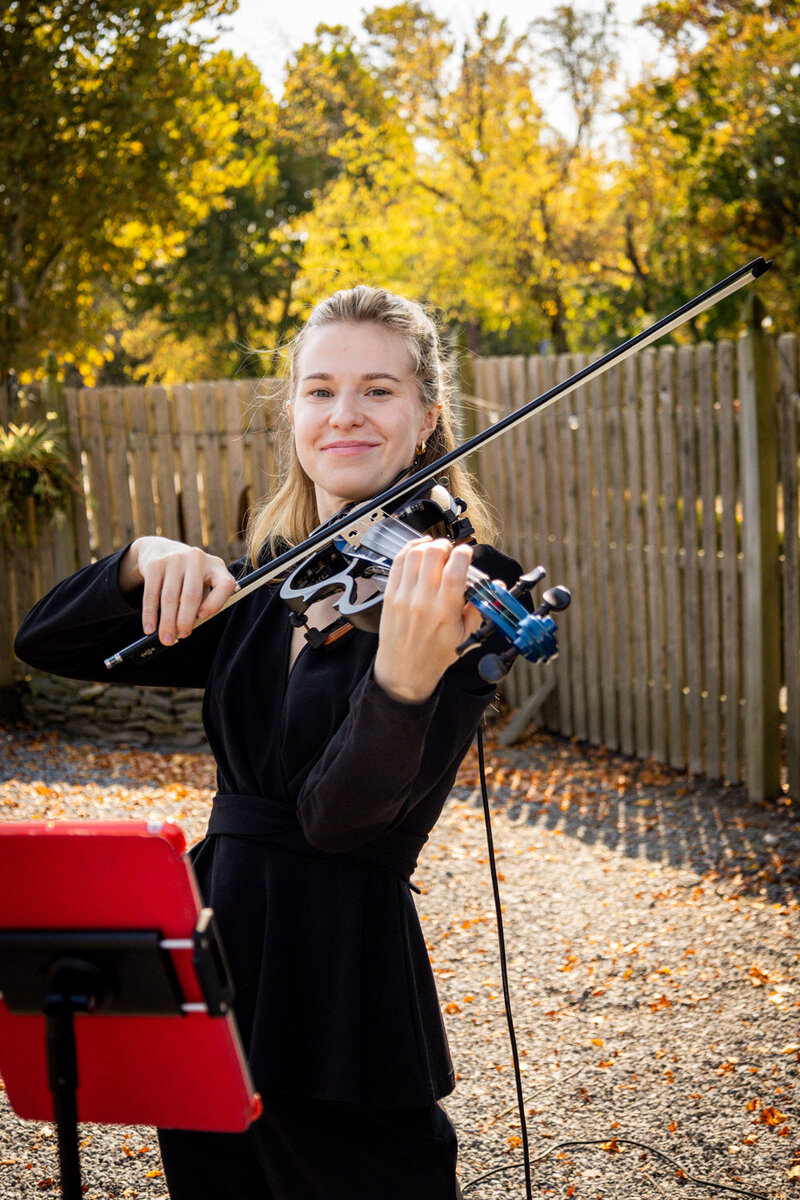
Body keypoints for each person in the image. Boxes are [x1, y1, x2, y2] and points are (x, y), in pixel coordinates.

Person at [14, 286, 523, 1200]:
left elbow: (338, 823)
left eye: (378, 390)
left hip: (341, 991)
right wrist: (140, 558)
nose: (344, 415)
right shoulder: (268, 590)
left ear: (427, 415)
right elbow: (45, 641)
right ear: (292, 411)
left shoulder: (457, 587)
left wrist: (402, 685)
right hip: (212, 956)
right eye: (319, 390)